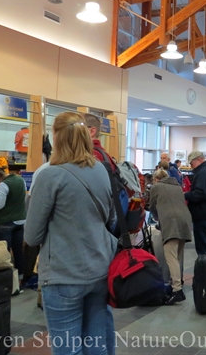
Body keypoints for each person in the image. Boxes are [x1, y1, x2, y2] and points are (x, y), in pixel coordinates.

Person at [25, 112, 116, 355]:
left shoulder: (49, 175)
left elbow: (32, 236)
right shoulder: (100, 170)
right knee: (96, 346)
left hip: (63, 275)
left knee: (68, 350)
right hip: (99, 271)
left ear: (56, 137)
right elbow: (111, 220)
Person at [83, 114, 119, 355]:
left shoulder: (92, 159)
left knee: (92, 312)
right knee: (100, 309)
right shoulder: (106, 156)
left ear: (91, 131)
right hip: (105, 237)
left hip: (92, 242)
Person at [149, 168, 192, 304]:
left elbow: (152, 206)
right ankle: (176, 284)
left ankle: (177, 290)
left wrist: (157, 218)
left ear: (156, 179)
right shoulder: (178, 186)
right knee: (177, 257)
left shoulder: (156, 186)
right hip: (185, 221)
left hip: (171, 222)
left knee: (170, 257)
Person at [0, 166, 27, 291]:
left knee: (3, 253)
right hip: (21, 221)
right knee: (18, 252)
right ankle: (20, 281)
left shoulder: (4, 185)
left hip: (6, 223)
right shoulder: (20, 180)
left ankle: (5, 284)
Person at [184, 150, 206, 255]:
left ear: (199, 159)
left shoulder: (204, 172)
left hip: (203, 214)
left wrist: (185, 195)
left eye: (191, 163)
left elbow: (201, 193)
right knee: (205, 244)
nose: (191, 166)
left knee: (203, 248)